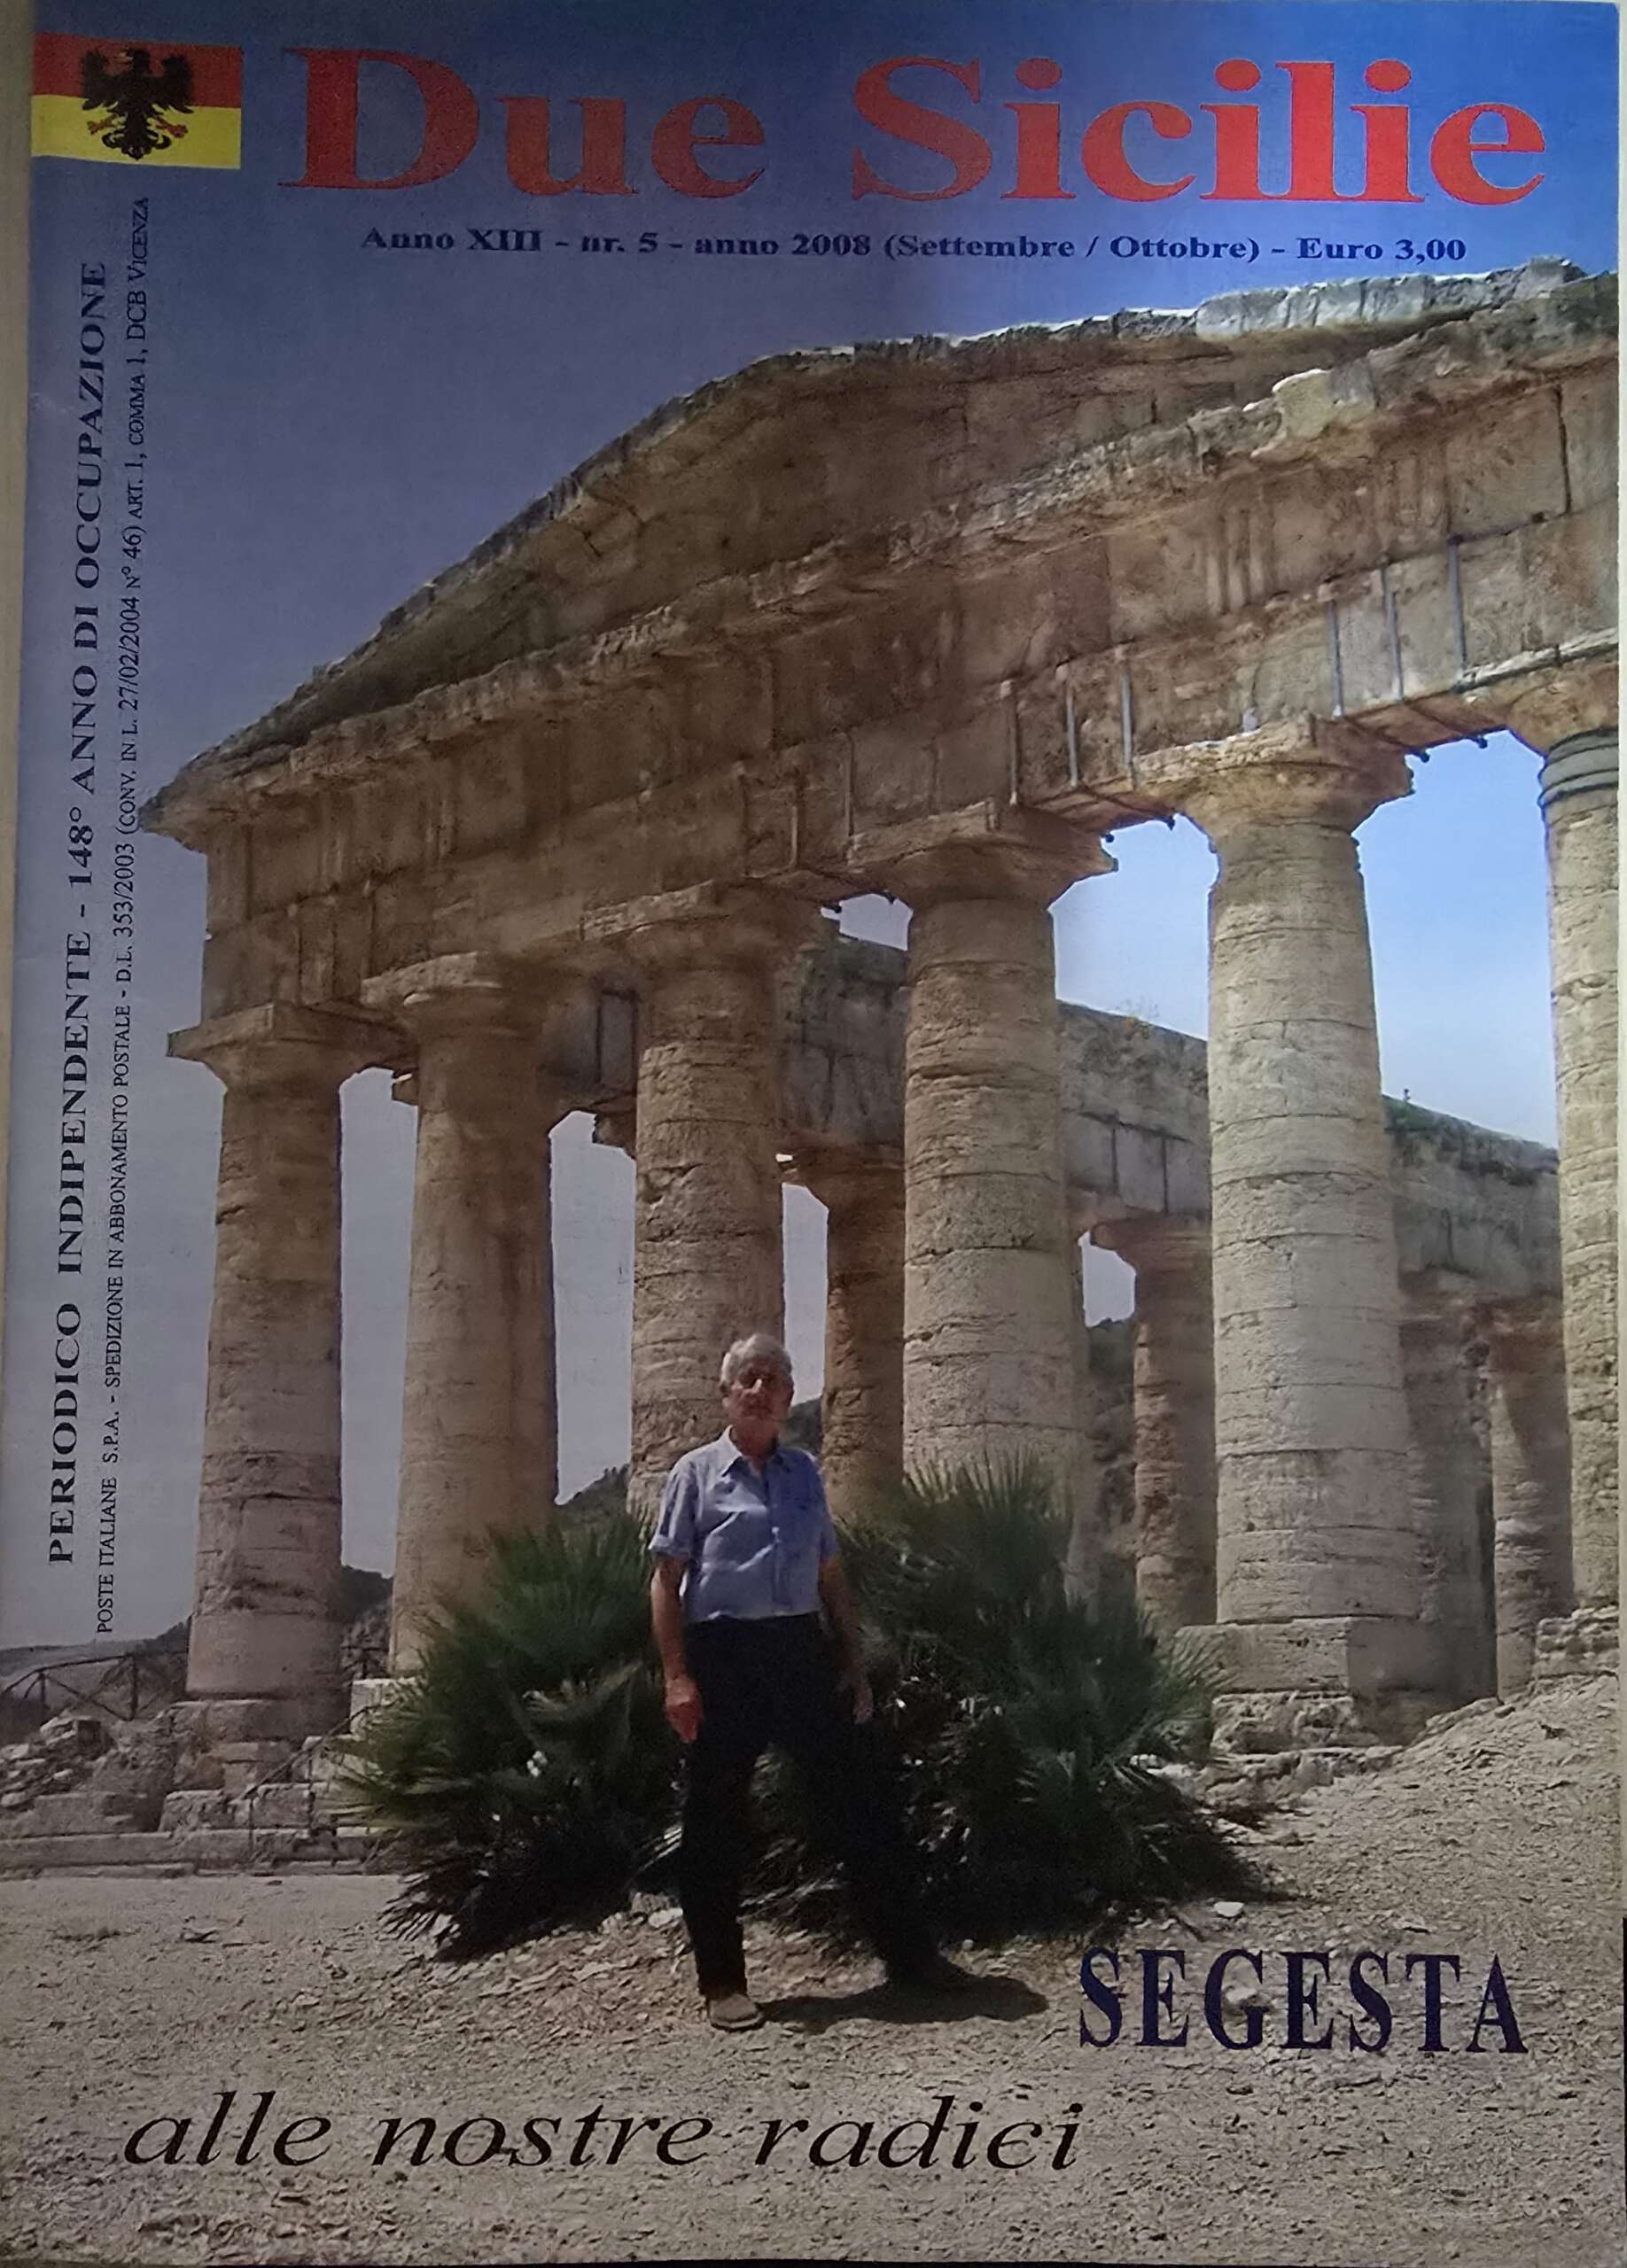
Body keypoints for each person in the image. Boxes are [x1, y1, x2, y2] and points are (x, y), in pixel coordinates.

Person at [649, 1331, 968, 2031]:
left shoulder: (804, 1474)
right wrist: (677, 1677)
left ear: (790, 1397)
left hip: (799, 1648)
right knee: (715, 1820)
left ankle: (911, 1957)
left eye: (774, 1380)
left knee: (861, 1803)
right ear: (726, 1394)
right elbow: (666, 1582)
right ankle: (723, 1982)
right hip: (724, 1653)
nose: (761, 1390)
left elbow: (830, 1573)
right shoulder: (695, 1475)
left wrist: (851, 1658)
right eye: (749, 1378)